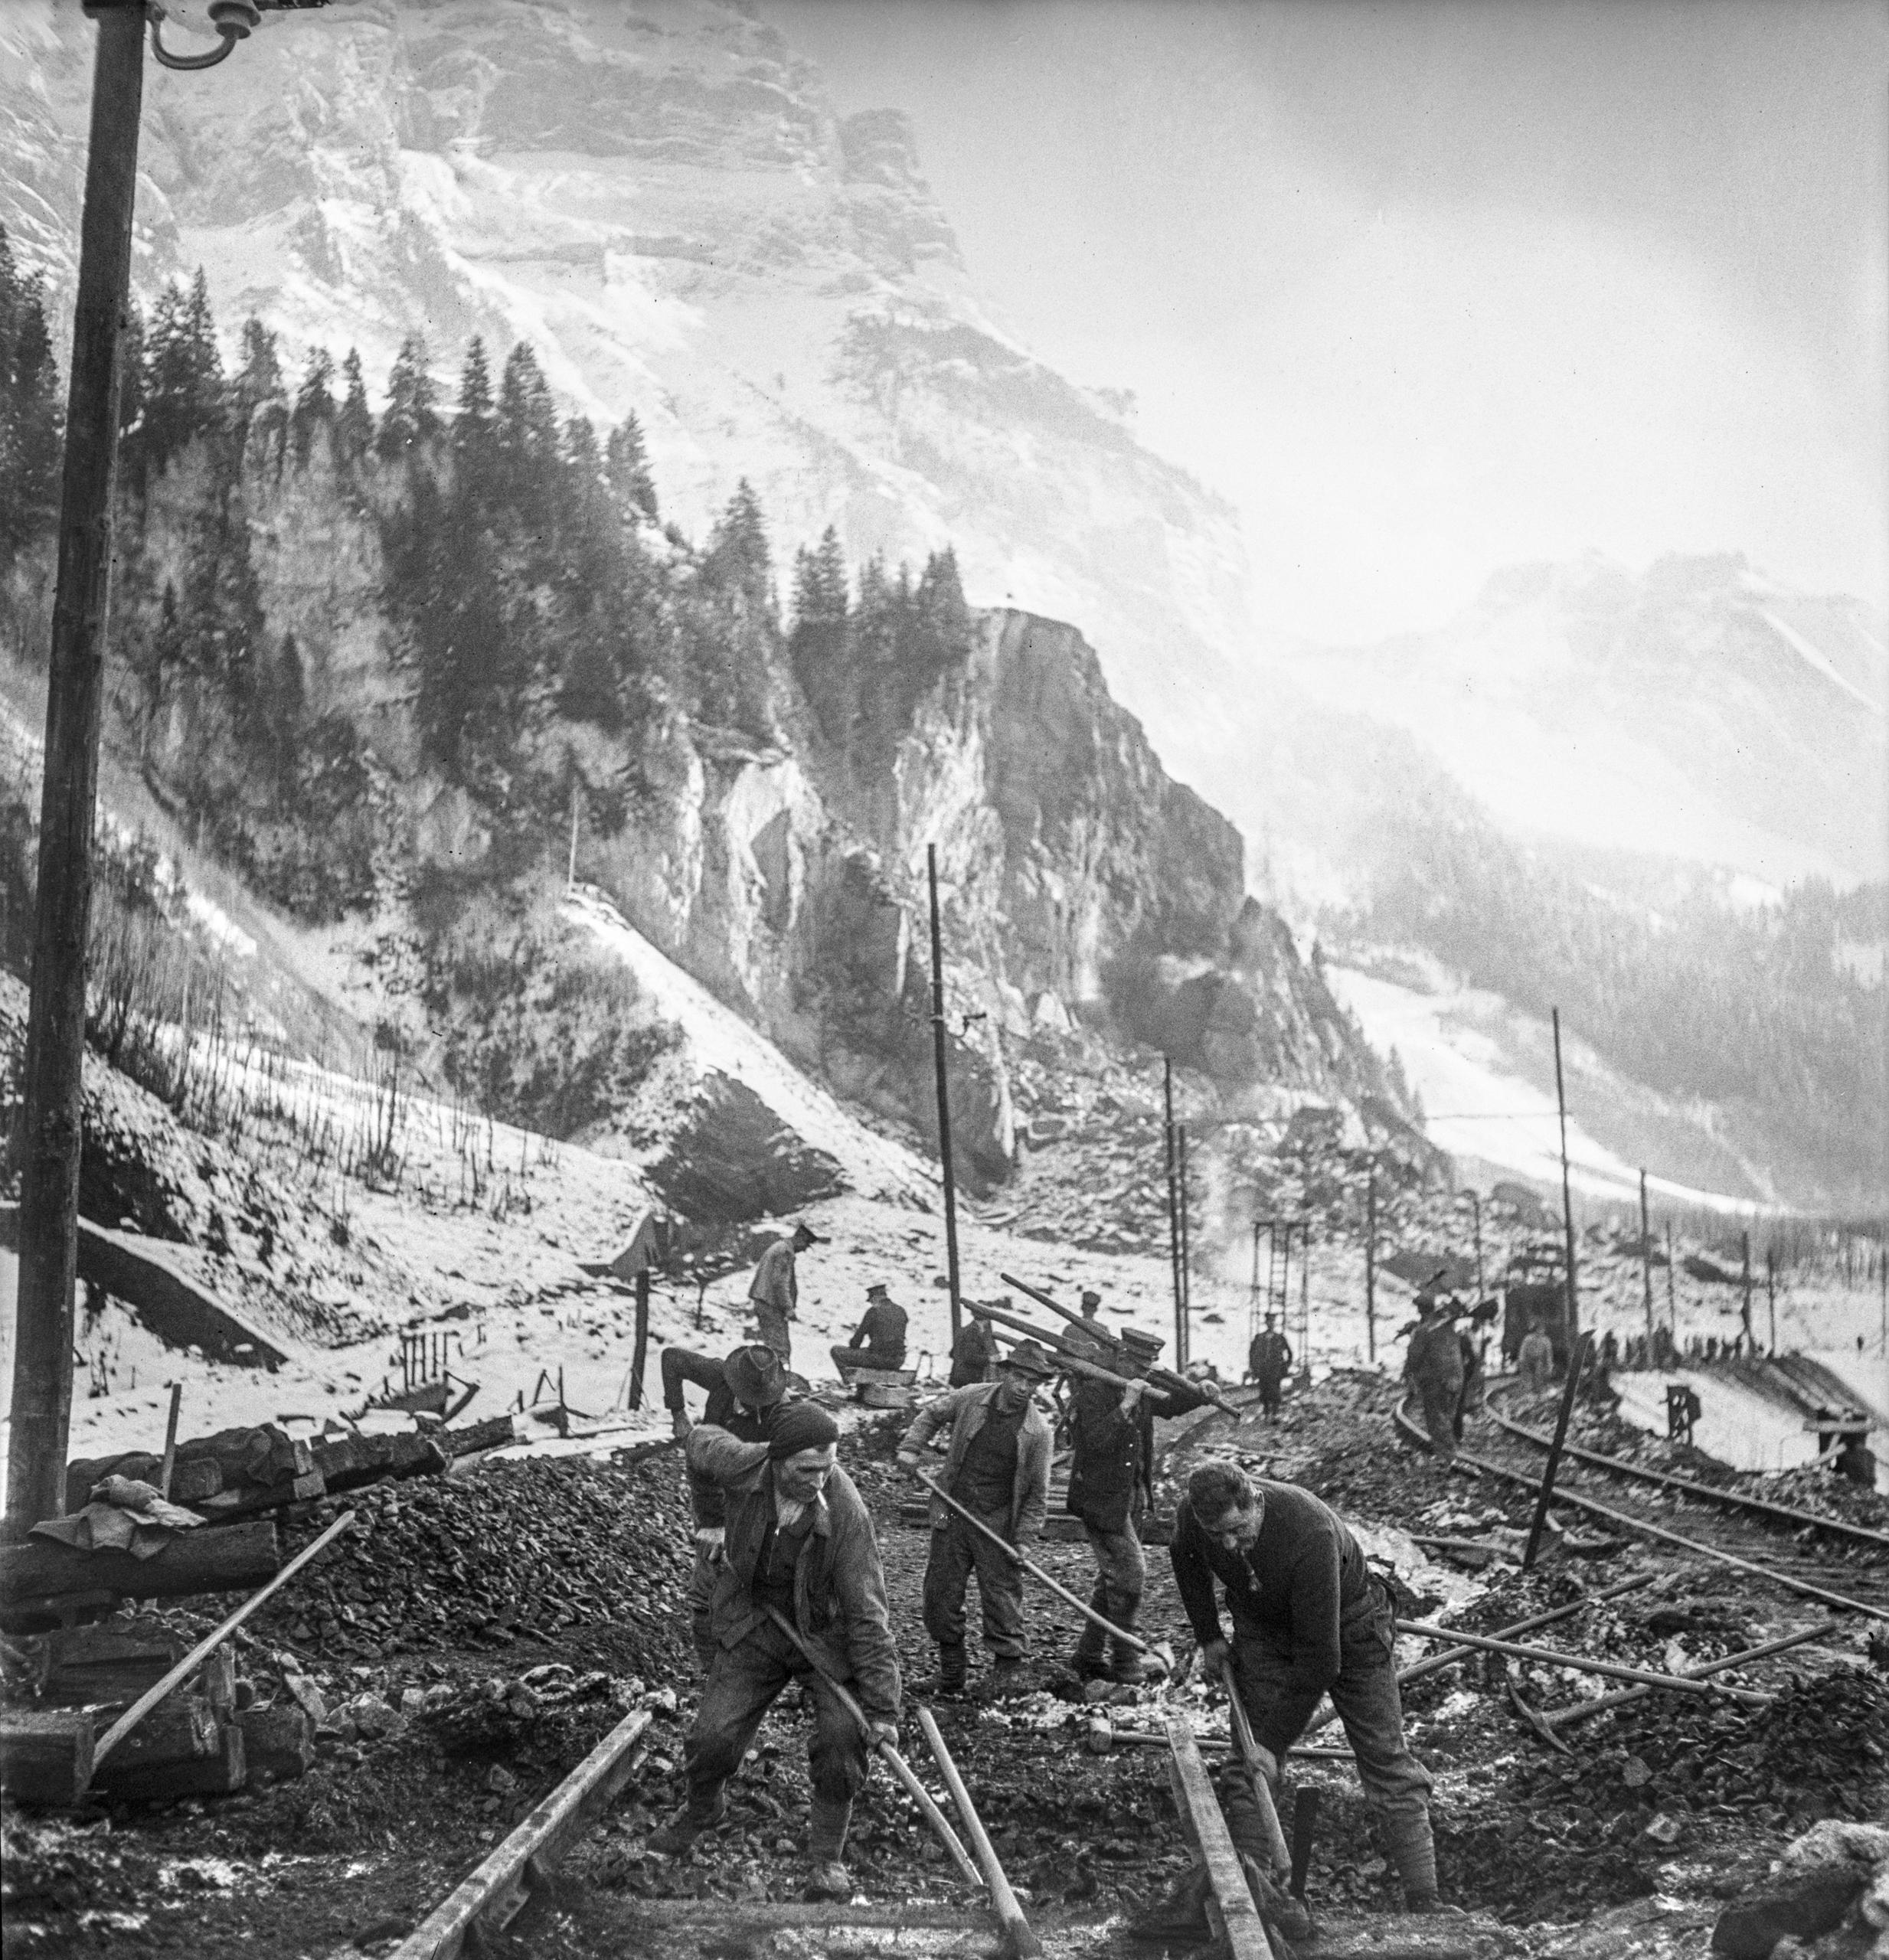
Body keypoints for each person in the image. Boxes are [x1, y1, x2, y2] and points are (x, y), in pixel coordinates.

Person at [649, 1402, 900, 1900]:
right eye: (806, 1470)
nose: (817, 1480)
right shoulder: (742, 1462)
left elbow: (867, 1612)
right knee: (712, 1737)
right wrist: (712, 1521)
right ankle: (702, 1809)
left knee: (841, 1739)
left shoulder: (845, 1510)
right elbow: (697, 1442)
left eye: (826, 1468)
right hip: (755, 1616)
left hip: (822, 1631)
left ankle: (827, 1857)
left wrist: (882, 1707)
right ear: (776, 1460)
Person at [1172, 1460, 1446, 1913]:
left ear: (1255, 1501)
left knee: (1383, 1754)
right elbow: (1183, 1555)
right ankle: (1248, 1887)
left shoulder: (1309, 1533)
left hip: (1351, 1627)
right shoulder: (1195, 1513)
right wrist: (1208, 1634)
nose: (1228, 1545)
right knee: (1248, 1754)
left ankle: (1425, 1898)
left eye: (1238, 1532)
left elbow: (1320, 1662)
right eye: (1217, 1535)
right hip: (1262, 1626)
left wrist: (1276, 1742)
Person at [897, 1339, 1054, 1697]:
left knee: (1001, 1598)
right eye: (1018, 1377)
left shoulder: (1039, 1432)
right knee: (939, 1595)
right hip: (953, 1511)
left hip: (998, 1521)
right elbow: (932, 1413)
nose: (1022, 1388)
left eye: (1031, 1383)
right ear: (1005, 1374)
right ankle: (952, 1675)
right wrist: (911, 1447)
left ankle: (1006, 1676)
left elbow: (1037, 1495)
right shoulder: (971, 1397)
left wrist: (1026, 1540)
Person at [1066, 1325, 1208, 1681]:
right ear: (1122, 1358)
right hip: (1099, 1498)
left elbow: (1171, 1405)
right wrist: (1126, 1405)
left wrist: (1200, 1395)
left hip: (1130, 1496)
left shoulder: (1137, 1385)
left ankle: (1088, 1654)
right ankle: (1125, 1662)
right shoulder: (1094, 1391)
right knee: (1131, 1574)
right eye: (1141, 1368)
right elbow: (1095, 1443)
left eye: (1149, 1369)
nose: (1145, 1375)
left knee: (1113, 1577)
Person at [659, 1344, 792, 1671]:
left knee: (758, 1576)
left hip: (756, 1493)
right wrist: (678, 1413)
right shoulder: (720, 1375)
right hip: (709, 1481)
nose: (756, 1405)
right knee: (707, 1577)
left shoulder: (784, 1413)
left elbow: (788, 1476)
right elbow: (672, 1358)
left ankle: (763, 1661)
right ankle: (710, 1668)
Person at [747, 1220, 822, 1364]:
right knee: (780, 1349)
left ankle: (771, 1379)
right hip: (771, 1306)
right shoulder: (785, 1252)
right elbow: (780, 1283)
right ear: (799, 1239)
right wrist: (788, 1308)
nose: (805, 1249)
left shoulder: (779, 1247)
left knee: (772, 1347)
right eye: (806, 1244)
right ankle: (779, 1381)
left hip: (765, 1304)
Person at [1403, 1297, 1463, 1459]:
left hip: (1436, 1382)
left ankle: (1447, 1458)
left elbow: (1414, 1357)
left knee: (1437, 1422)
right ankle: (1449, 1454)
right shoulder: (1449, 1329)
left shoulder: (1423, 1331)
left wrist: (1409, 1376)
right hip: (1456, 1380)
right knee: (1447, 1418)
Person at [829, 1282, 909, 1377]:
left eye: (871, 1301)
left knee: (836, 1351)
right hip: (898, 1360)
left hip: (879, 1359)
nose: (871, 1303)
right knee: (867, 1353)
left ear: (875, 1298)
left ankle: (852, 1379)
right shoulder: (901, 1310)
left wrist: (853, 1345)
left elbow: (856, 1341)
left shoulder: (874, 1311)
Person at [1247, 1315, 1293, 1421]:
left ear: (1274, 1323)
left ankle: (1275, 1413)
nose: (1270, 1324)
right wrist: (1253, 1367)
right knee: (1264, 1391)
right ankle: (1267, 1412)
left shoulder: (1280, 1338)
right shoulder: (1259, 1337)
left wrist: (1286, 1366)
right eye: (1269, 1322)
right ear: (1266, 1323)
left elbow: (1289, 1353)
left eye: (1272, 1322)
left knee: (1276, 1391)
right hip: (1263, 1370)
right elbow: (1251, 1353)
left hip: (1276, 1370)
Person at [1453, 1318, 1485, 1442]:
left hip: (1456, 1375)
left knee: (1455, 1405)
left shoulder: (1460, 1337)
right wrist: (1467, 1373)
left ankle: (1455, 1435)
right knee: (1458, 1405)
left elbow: (1472, 1358)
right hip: (1461, 1375)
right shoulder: (1466, 1338)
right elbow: (1473, 1357)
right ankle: (1457, 1435)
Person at [950, 1308, 1000, 1387]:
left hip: (959, 1377)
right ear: (986, 1321)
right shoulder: (973, 1333)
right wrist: (990, 1359)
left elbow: (952, 1353)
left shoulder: (965, 1330)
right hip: (968, 1379)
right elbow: (970, 1356)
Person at [1518, 1322, 1555, 1396]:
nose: (1541, 1331)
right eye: (1539, 1329)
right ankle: (1528, 1392)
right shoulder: (1528, 1338)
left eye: (1542, 1330)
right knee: (1527, 1376)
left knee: (1538, 1375)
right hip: (1528, 1359)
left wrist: (1549, 1364)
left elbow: (1548, 1353)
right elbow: (1523, 1349)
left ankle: (1538, 1391)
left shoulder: (1546, 1340)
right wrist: (1521, 1359)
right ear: (1536, 1330)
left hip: (1538, 1359)